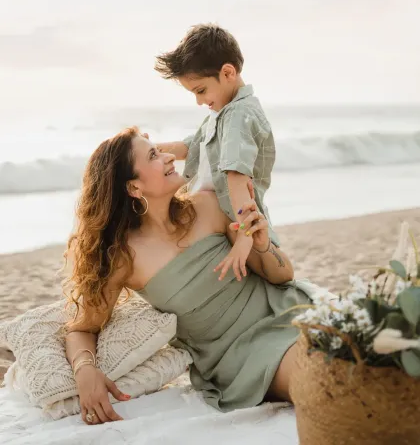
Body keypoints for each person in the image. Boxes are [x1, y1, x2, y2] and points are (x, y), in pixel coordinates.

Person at [64, 127, 312, 426]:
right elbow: (83, 327)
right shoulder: (123, 258)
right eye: (154, 155)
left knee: (371, 360)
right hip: (238, 357)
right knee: (326, 380)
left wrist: (262, 246)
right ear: (133, 187)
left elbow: (282, 275)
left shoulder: (208, 205)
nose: (169, 157)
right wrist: (85, 370)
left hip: (291, 314)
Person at [154, 24, 280, 281]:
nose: (199, 101)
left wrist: (244, 242)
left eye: (201, 91)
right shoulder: (221, 112)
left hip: (237, 222)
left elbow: (237, 178)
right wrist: (153, 149)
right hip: (220, 217)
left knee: (277, 273)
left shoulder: (238, 114)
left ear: (228, 72)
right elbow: (192, 146)